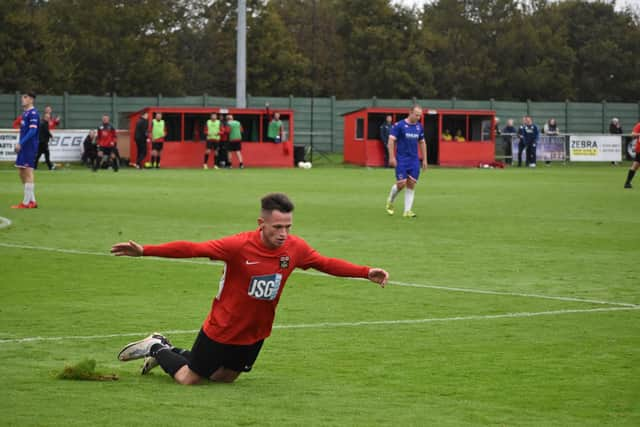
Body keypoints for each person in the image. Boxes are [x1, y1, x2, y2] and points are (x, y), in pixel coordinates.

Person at [112, 193, 389, 385]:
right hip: (223, 326)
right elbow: (192, 249)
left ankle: (170, 349)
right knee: (189, 379)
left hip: (255, 330)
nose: (283, 233)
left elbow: (326, 263)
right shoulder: (238, 246)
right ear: (261, 224)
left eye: (288, 227)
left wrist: (365, 272)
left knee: (224, 378)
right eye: (277, 226)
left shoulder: (295, 248)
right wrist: (146, 250)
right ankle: (157, 347)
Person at [384, 105, 427, 218]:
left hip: (414, 160)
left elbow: (422, 142)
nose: (418, 117)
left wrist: (425, 159)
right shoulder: (399, 125)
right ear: (410, 112)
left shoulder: (419, 127)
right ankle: (390, 200)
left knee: (411, 184)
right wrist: (392, 157)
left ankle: (407, 211)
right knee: (401, 184)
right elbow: (391, 141)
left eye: (420, 115)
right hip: (401, 160)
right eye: (416, 114)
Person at [12, 92, 40, 209]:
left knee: (28, 172)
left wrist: (21, 143)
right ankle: (32, 201)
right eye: (23, 97)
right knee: (21, 172)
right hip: (24, 146)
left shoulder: (33, 113)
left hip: (29, 146)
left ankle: (25, 203)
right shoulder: (25, 113)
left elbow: (33, 131)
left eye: (25, 97)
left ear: (31, 100)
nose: (22, 100)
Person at [623, 120, 640, 189]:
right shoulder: (639, 125)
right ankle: (627, 183)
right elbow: (633, 134)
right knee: (635, 166)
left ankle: (627, 183)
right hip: (639, 149)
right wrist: (639, 134)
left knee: (635, 165)